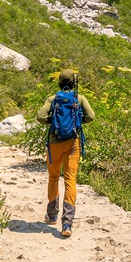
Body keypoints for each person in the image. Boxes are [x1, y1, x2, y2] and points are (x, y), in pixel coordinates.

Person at [36, 69, 95, 238]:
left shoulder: (53, 98)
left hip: (55, 142)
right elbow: (91, 116)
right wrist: (77, 121)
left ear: (60, 82)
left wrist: (53, 121)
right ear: (74, 82)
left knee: (54, 178)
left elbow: (40, 116)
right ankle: (67, 223)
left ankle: (52, 215)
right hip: (73, 143)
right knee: (70, 179)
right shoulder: (80, 98)